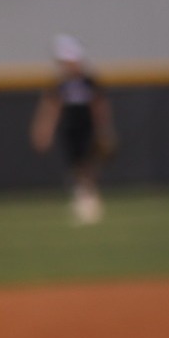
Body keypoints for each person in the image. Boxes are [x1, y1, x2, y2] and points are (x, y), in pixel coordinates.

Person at [29, 34, 113, 225]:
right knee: (75, 165)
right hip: (70, 128)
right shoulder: (61, 84)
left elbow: (99, 105)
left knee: (88, 163)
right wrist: (44, 130)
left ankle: (89, 199)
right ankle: (83, 198)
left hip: (87, 128)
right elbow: (51, 107)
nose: (66, 65)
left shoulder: (88, 81)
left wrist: (104, 128)